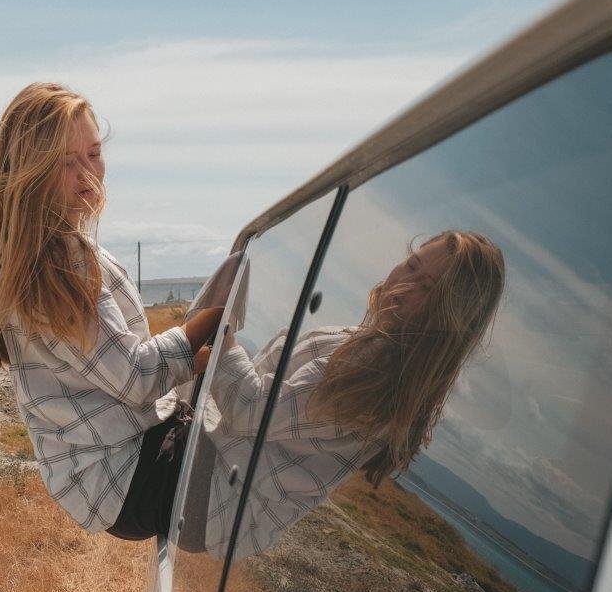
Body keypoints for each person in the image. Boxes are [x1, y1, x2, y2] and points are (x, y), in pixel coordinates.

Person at [0, 82, 225, 540]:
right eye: (64, 163)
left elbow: (105, 365)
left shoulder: (33, 258)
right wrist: (207, 323)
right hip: (128, 475)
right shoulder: (59, 263)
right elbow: (134, 375)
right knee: (274, 437)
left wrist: (193, 360)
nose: (87, 173)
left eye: (94, 153)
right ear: (29, 174)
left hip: (109, 482)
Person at [202, 230, 505, 557]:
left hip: (213, 496)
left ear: (447, 317)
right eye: (412, 265)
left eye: (427, 288)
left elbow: (251, 410)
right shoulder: (380, 361)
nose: (405, 283)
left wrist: (222, 332)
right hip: (221, 495)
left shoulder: (374, 368)